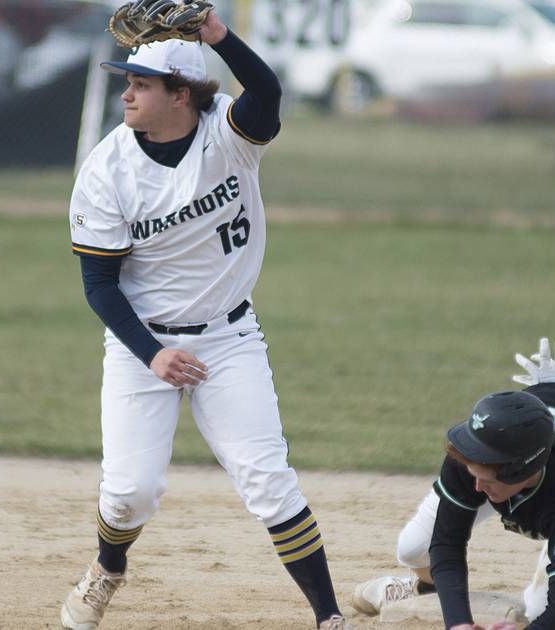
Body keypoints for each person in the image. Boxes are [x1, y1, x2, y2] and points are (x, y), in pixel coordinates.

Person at [60, 8, 347, 630]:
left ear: (181, 95)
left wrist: (217, 34)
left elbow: (266, 91)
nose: (126, 93)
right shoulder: (106, 169)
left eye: (139, 83)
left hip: (228, 337)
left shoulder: (229, 134)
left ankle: (329, 617)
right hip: (144, 344)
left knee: (269, 482)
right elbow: (99, 286)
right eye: (126, 82)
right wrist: (152, 353)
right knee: (131, 492)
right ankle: (109, 567)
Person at [351, 338, 555, 629]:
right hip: (535, 427)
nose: (476, 487)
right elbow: (447, 543)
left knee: (539, 609)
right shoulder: (469, 454)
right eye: (472, 469)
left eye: (485, 476)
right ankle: (427, 590)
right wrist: (459, 624)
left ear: (519, 472)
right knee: (412, 547)